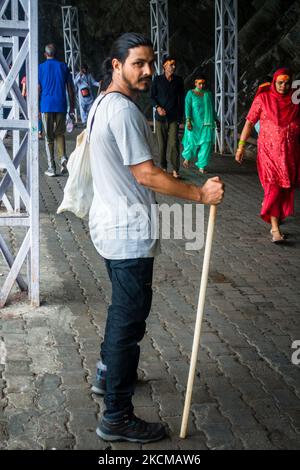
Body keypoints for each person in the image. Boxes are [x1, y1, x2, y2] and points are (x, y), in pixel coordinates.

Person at [87, 32, 224, 444]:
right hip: (126, 235)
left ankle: (107, 374)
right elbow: (146, 173)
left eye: (150, 63)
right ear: (116, 65)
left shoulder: (103, 104)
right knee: (129, 322)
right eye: (138, 64)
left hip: (111, 227)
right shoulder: (125, 112)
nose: (147, 71)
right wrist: (200, 194)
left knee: (121, 313)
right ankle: (116, 414)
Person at [236, 67, 300, 242]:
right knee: (273, 187)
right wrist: (241, 146)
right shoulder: (262, 99)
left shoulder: (295, 103)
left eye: (287, 83)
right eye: (280, 82)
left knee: (284, 189)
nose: (283, 86)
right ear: (274, 82)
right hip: (269, 154)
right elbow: (249, 123)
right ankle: (275, 229)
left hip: (289, 155)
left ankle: (276, 216)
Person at [39, 43, 75, 177]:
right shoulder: (63, 66)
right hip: (61, 105)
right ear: (56, 54)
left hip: (46, 105)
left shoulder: (40, 68)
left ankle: (51, 167)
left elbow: (38, 89)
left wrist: (36, 108)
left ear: (45, 54)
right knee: (60, 133)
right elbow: (70, 89)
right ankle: (63, 158)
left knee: (49, 137)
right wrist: (72, 106)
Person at [150, 56, 184, 178]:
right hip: (160, 119)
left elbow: (181, 100)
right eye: (171, 64)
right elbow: (152, 97)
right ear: (164, 66)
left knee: (174, 143)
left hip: (174, 118)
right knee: (162, 145)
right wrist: (158, 108)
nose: (173, 67)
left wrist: (181, 118)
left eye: (174, 65)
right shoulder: (157, 80)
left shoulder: (179, 81)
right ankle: (163, 168)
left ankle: (175, 169)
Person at [182, 75, 217, 174]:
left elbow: (212, 108)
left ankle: (202, 165)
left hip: (207, 123)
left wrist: (215, 118)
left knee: (206, 144)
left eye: (203, 83)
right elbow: (187, 107)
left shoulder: (208, 94)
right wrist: (188, 120)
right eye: (199, 83)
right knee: (191, 142)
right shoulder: (191, 93)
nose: (202, 85)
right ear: (195, 83)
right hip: (194, 122)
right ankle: (187, 158)